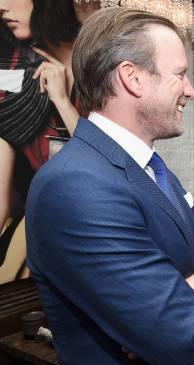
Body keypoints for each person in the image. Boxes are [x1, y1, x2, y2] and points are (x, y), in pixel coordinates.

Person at [25, 8, 194, 365]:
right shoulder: (76, 186)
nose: (191, 90)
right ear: (132, 77)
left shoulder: (151, 168)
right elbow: (188, 343)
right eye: (180, 74)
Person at [0, 0, 84, 283]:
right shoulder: (13, 71)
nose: (1, 6)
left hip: (97, 213)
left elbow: (112, 158)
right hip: (42, 218)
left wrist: (61, 101)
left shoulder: (99, 57)